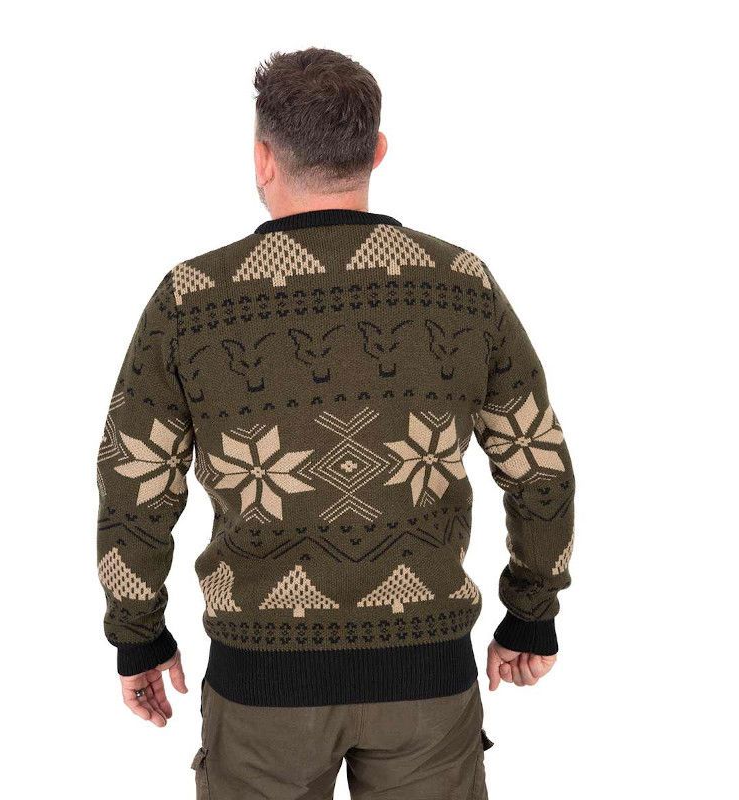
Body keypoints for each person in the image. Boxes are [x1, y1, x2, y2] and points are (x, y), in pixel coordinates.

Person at [96, 47, 575, 800]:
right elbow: (537, 462)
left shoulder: (193, 298)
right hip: (427, 683)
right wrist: (531, 614)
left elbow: (136, 478)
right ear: (377, 150)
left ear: (264, 157)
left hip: (262, 691)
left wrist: (138, 634)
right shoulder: (460, 285)